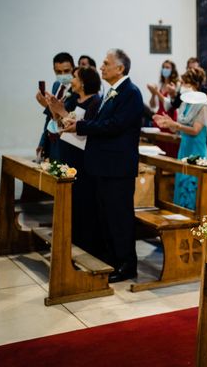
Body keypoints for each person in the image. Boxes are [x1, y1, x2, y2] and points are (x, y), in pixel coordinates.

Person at [63, 49, 144, 283]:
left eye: (106, 63)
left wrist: (81, 127)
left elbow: (114, 125)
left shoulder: (131, 92)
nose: (102, 67)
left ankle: (127, 265)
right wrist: (79, 123)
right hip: (104, 166)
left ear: (120, 68)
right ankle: (112, 260)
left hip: (118, 167)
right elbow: (100, 122)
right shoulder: (112, 91)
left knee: (120, 218)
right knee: (107, 216)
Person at [47, 67, 102, 254]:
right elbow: (62, 124)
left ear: (84, 82)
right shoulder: (73, 99)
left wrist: (62, 112)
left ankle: (86, 243)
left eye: (75, 77)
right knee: (70, 202)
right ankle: (71, 238)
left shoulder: (95, 102)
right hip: (68, 152)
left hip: (83, 158)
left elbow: (84, 128)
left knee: (83, 201)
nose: (71, 80)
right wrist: (53, 109)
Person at [153, 67, 207, 210]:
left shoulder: (204, 105)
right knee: (181, 182)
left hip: (196, 150)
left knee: (191, 187)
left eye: (185, 83)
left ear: (194, 85)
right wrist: (167, 121)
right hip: (184, 148)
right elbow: (178, 127)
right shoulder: (185, 103)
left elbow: (195, 130)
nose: (182, 86)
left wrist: (176, 125)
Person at [36, 52, 77, 161]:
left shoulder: (78, 89)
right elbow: (49, 118)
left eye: (66, 71)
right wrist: (42, 141)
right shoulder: (56, 85)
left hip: (68, 142)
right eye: (59, 72)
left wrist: (46, 106)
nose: (63, 75)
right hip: (52, 140)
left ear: (73, 68)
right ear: (54, 70)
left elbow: (70, 118)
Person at [147, 59, 180, 157]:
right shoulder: (161, 85)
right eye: (163, 67)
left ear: (172, 70)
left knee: (169, 144)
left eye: (167, 67)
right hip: (159, 116)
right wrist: (153, 94)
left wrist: (157, 92)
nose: (165, 69)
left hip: (169, 116)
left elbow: (169, 105)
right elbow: (153, 105)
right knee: (160, 145)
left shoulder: (175, 85)